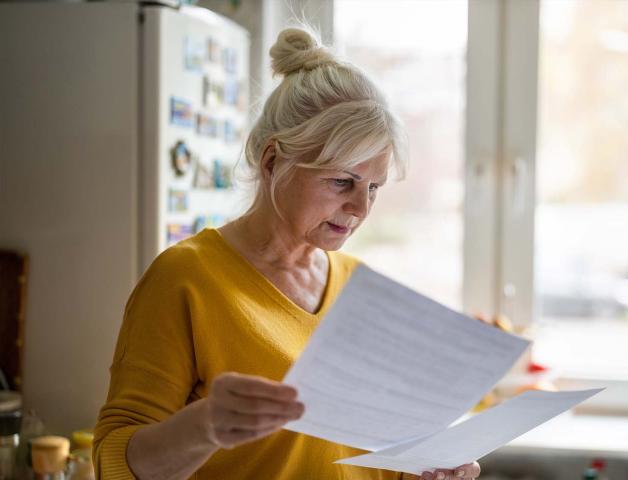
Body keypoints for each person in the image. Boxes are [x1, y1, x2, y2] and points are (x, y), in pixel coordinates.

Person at [93, 26, 481, 480]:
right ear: (273, 161)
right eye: (342, 182)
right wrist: (204, 427)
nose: (360, 208)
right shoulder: (186, 278)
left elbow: (365, 458)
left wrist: (421, 470)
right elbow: (112, 462)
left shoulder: (360, 286)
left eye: (373, 187)